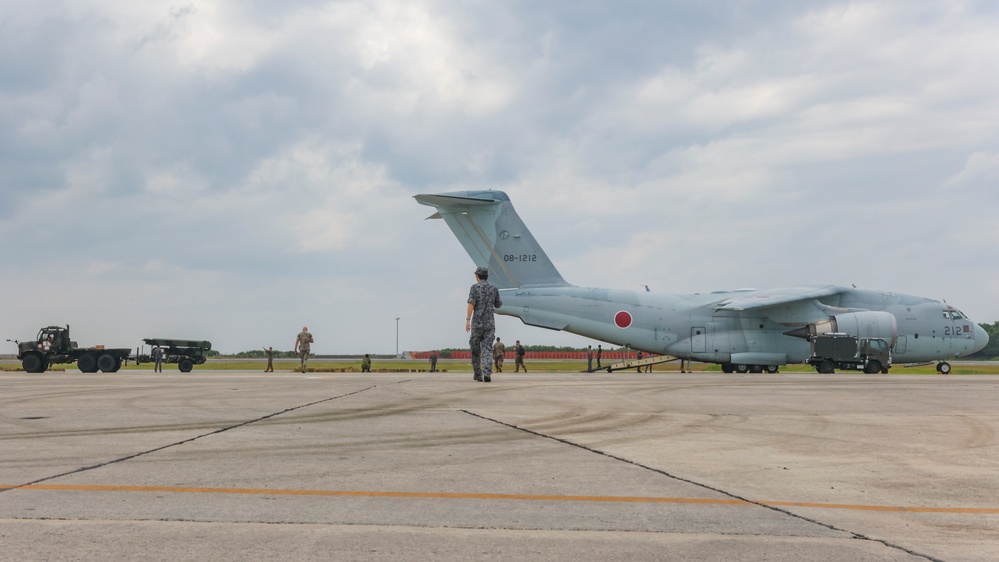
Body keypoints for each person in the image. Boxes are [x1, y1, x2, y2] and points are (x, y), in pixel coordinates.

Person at [466, 266, 502, 382]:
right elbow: (498, 304)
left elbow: (471, 304)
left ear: (477, 276)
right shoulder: (494, 288)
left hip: (477, 323)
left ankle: (478, 374)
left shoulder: (474, 288)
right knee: (487, 348)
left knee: (475, 349)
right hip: (489, 323)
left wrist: (467, 319)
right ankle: (487, 373)